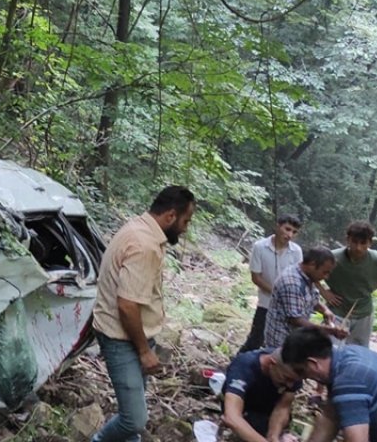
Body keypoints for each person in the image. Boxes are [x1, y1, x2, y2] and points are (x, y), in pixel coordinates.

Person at [89, 185, 196, 442]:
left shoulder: (139, 227)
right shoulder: (144, 244)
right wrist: (144, 351)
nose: (185, 228)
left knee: (134, 414)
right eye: (185, 221)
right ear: (170, 216)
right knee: (134, 419)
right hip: (122, 337)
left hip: (131, 335)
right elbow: (127, 305)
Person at [321, 220, 377, 346]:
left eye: (363, 243)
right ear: (348, 240)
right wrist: (323, 291)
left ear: (370, 243)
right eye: (354, 242)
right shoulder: (333, 257)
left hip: (363, 313)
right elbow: (308, 272)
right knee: (328, 349)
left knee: (358, 353)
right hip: (336, 311)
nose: (358, 248)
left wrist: (374, 286)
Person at [239, 214, 305, 354]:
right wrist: (277, 293)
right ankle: (238, 366)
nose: (289, 235)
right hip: (266, 304)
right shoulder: (260, 246)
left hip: (288, 307)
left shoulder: (296, 251)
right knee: (255, 341)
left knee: (284, 345)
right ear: (278, 226)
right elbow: (256, 277)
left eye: (294, 232)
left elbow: (299, 278)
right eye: (287, 229)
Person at [262, 247, 346, 349]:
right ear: (312, 264)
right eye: (325, 272)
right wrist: (329, 330)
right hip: (281, 341)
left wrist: (325, 310)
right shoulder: (292, 283)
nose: (326, 277)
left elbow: (311, 299)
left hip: (295, 338)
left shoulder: (308, 276)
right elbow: (296, 320)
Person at [220, 347, 303, 442]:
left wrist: (273, 436)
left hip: (267, 411)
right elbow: (232, 417)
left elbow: (283, 406)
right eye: (287, 379)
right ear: (271, 364)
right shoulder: (244, 366)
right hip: (245, 410)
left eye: (294, 381)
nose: (290, 385)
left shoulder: (291, 370)